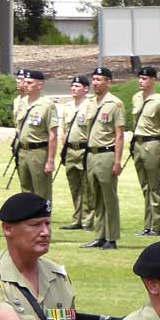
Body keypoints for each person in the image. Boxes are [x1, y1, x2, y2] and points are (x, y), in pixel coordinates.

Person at [81, 66, 124, 251]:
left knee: (109, 197)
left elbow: (119, 134)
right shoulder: (91, 103)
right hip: (91, 153)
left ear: (109, 82)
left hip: (107, 154)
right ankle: (100, 234)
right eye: (94, 79)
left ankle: (111, 237)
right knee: (95, 196)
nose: (95, 83)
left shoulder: (115, 104)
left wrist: (117, 160)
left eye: (99, 80)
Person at [130, 65, 160, 237]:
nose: (141, 81)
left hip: (152, 144)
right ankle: (147, 225)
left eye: (145, 78)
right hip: (138, 143)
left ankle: (157, 226)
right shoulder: (136, 98)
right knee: (145, 186)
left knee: (155, 186)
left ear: (153, 80)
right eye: (140, 78)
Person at [14, 70, 59, 201]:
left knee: (41, 190)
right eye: (24, 82)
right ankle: (29, 219)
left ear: (39, 85)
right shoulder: (21, 103)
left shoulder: (47, 105)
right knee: (25, 189)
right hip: (22, 151)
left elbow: (53, 134)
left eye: (29, 82)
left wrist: (50, 160)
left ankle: (44, 219)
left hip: (38, 151)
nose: (25, 85)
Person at [60, 75, 96, 231]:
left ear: (86, 89)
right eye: (72, 86)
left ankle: (88, 220)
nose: (74, 89)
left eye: (77, 86)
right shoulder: (67, 107)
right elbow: (63, 129)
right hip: (70, 150)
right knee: (74, 186)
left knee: (87, 186)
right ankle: (77, 218)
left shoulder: (90, 106)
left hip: (84, 149)